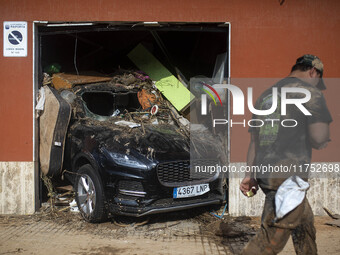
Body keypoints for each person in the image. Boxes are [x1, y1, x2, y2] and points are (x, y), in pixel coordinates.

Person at [240, 55, 332, 255]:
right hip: (287, 178)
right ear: (313, 72)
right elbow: (319, 138)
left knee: (305, 226)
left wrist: (250, 175)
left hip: (268, 175)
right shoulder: (309, 93)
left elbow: (254, 141)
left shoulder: (266, 95)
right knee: (268, 242)